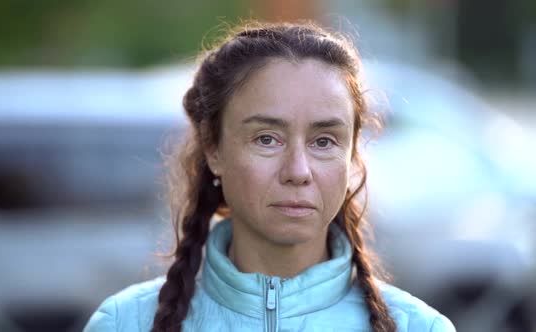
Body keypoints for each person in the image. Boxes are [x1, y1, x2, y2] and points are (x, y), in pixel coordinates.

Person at [84, 21, 456, 332]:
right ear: (213, 148)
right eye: (266, 139)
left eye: (324, 141)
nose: (298, 171)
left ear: (352, 153)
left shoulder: (419, 327)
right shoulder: (125, 323)